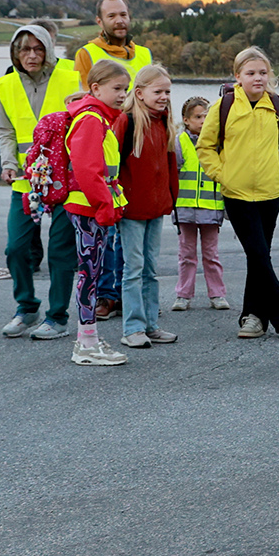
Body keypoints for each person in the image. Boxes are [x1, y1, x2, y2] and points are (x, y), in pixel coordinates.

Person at [198, 46, 279, 339]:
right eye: (251, 73)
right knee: (258, 253)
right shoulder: (224, 107)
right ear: (238, 76)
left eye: (263, 72)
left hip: (270, 191)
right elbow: (204, 146)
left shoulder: (276, 104)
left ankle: (252, 318)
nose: (258, 78)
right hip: (237, 193)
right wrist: (222, 174)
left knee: (259, 256)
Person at [0, 22, 82, 340]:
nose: (31, 55)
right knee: (16, 248)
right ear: (15, 53)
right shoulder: (6, 85)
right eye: (24, 49)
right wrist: (7, 164)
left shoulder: (72, 76)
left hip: (65, 178)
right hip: (25, 179)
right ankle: (26, 309)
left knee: (60, 251)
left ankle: (57, 317)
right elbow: (5, 132)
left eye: (38, 48)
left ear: (48, 49)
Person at [73, 0, 147, 319]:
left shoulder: (143, 53)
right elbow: (85, 98)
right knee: (103, 235)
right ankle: (104, 298)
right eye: (112, 15)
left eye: (124, 14)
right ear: (99, 21)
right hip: (107, 139)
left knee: (123, 229)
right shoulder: (87, 54)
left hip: (134, 142)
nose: (120, 20)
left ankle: (124, 293)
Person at [64, 60, 132, 366]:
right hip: (88, 209)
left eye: (125, 89)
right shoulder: (91, 120)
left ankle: (88, 338)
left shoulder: (101, 119)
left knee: (91, 273)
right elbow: (88, 169)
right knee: (89, 274)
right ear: (95, 88)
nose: (122, 95)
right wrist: (105, 206)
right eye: (116, 88)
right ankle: (86, 344)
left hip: (93, 208)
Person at [114, 65, 180, 348]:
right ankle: (132, 328)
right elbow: (112, 165)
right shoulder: (126, 122)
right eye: (158, 92)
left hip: (156, 208)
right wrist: (114, 203)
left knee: (150, 268)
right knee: (133, 268)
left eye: (167, 91)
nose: (164, 96)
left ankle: (150, 324)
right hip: (131, 209)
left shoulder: (164, 123)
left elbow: (169, 167)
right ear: (139, 93)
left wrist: (170, 200)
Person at [173, 97, 230, 311]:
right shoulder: (180, 142)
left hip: (211, 209)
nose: (203, 121)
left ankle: (217, 294)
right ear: (186, 120)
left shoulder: (218, 144)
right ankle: (183, 295)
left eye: (206, 116)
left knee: (211, 254)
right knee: (186, 254)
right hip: (185, 210)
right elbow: (174, 173)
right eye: (198, 117)